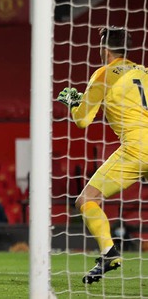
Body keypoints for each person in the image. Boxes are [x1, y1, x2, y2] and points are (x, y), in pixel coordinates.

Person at [57, 26, 142, 284]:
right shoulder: (143, 71)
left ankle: (109, 253)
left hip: (137, 147)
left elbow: (83, 120)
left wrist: (73, 103)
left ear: (104, 49)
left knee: (86, 200)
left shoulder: (105, 73)